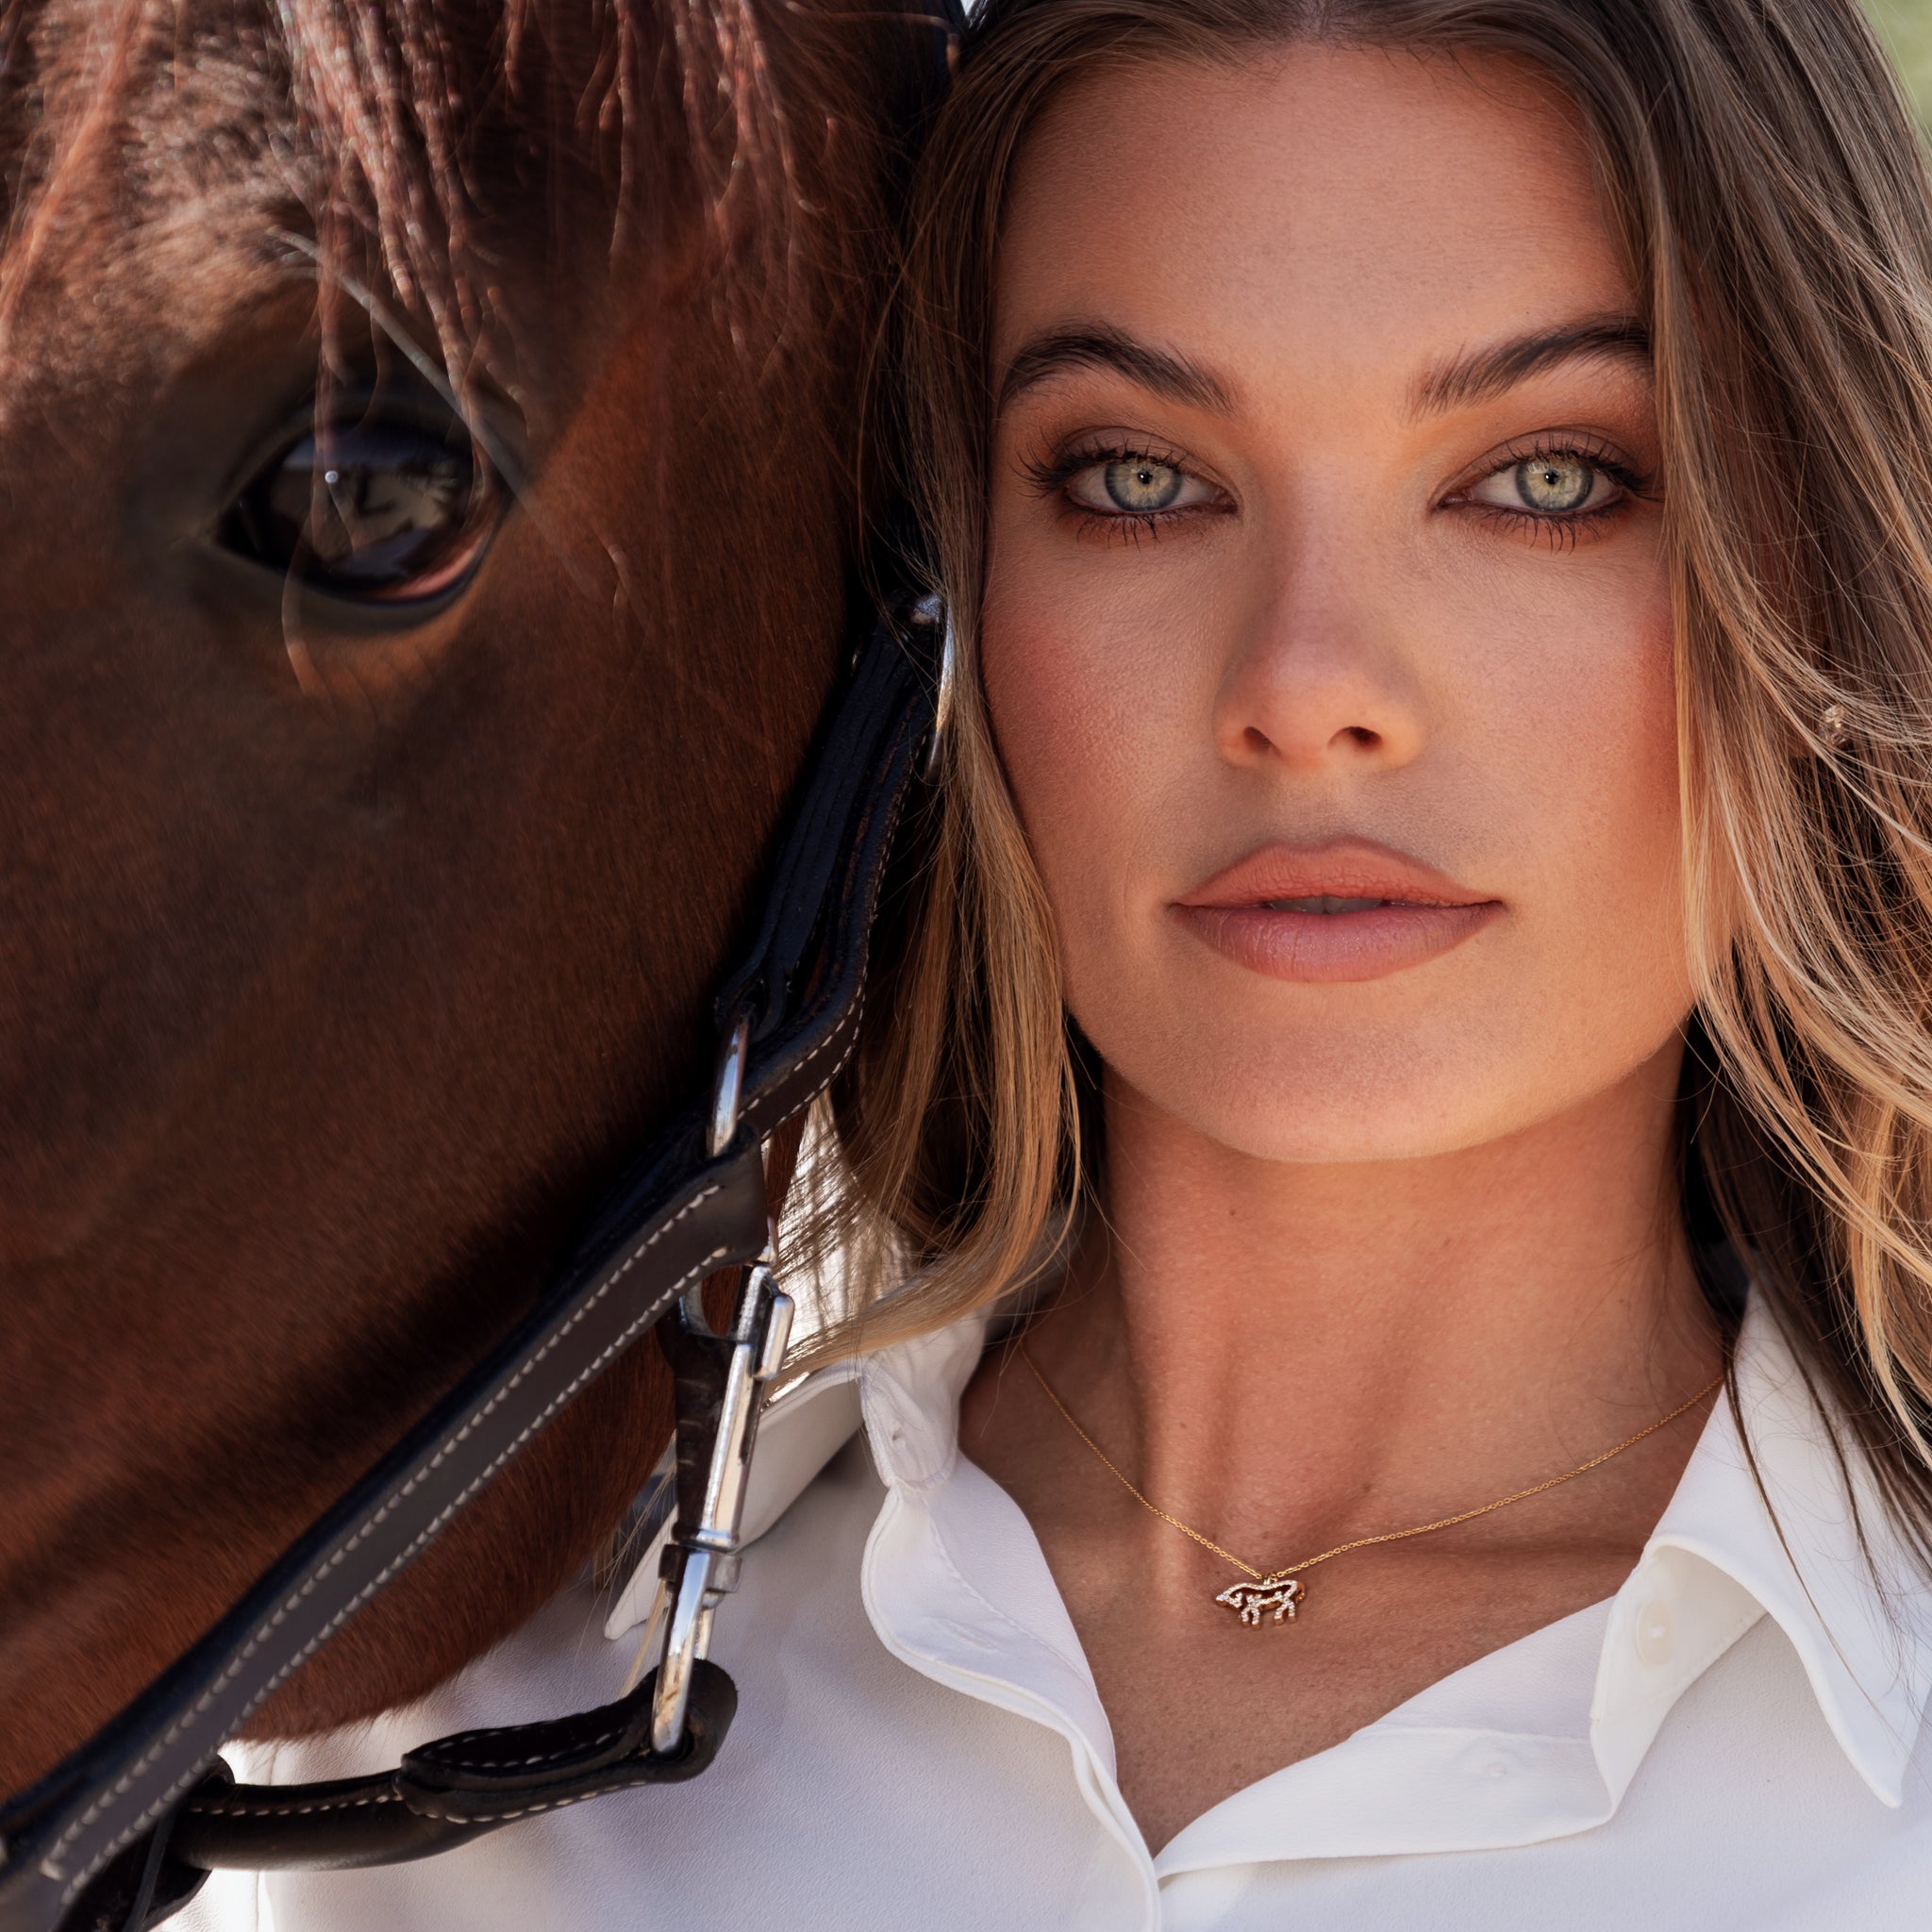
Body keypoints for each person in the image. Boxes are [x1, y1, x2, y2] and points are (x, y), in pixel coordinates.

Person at [184, 0, 1932, 1924]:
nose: (1307, 688)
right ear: (936, 594)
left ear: (1813, 567)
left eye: (1541, 479)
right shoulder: (413, 1704)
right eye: (1134, 479)